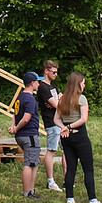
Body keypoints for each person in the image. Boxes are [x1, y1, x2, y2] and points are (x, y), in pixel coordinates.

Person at [57, 72, 102, 203]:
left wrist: (64, 128)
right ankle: (93, 199)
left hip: (66, 137)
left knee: (71, 167)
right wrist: (69, 127)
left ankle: (70, 198)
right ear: (78, 84)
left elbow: (56, 119)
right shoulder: (81, 99)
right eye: (83, 83)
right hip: (79, 135)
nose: (84, 85)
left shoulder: (62, 99)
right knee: (88, 168)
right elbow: (83, 119)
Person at [10, 72, 43, 199]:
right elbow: (26, 118)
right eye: (37, 82)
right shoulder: (30, 99)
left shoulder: (20, 97)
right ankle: (27, 192)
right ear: (32, 83)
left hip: (21, 136)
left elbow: (15, 114)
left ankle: (31, 189)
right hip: (29, 135)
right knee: (29, 163)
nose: (39, 84)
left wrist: (13, 127)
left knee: (34, 162)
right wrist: (17, 128)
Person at [36, 60, 66, 191]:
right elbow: (57, 104)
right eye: (53, 72)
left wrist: (59, 101)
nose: (56, 75)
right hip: (52, 122)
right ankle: (50, 181)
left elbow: (60, 101)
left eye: (57, 72)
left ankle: (67, 179)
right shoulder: (43, 87)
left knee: (67, 150)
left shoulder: (53, 86)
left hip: (61, 122)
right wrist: (59, 102)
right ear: (46, 71)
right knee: (52, 150)